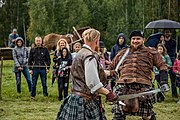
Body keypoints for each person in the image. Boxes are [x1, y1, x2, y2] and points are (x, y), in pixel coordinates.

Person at [56, 28, 117, 120]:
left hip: (75, 97)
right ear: (96, 40)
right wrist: (108, 93)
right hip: (85, 101)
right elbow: (92, 82)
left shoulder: (80, 53)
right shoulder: (89, 56)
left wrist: (109, 73)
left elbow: (88, 73)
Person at [108, 30, 169, 120]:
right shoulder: (123, 53)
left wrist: (164, 81)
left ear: (143, 40)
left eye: (138, 39)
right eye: (133, 39)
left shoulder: (151, 52)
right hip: (123, 86)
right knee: (118, 115)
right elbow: (111, 67)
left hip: (144, 86)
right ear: (130, 40)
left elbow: (162, 66)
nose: (135, 41)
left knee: (147, 116)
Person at [164, 29, 178, 98]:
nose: (167, 34)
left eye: (168, 32)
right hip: (164, 61)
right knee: (163, 78)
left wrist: (166, 53)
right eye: (166, 32)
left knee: (173, 79)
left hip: (172, 61)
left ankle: (174, 94)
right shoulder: (162, 42)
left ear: (170, 33)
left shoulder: (173, 42)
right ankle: (161, 95)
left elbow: (172, 52)